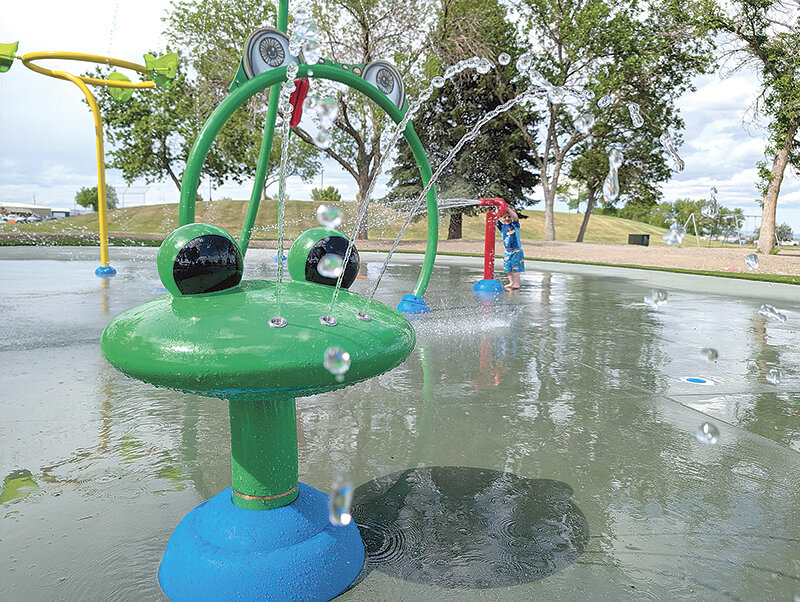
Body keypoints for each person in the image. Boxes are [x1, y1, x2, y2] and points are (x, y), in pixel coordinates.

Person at [497, 206, 524, 290]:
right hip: (507, 251)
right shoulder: (502, 227)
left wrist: (508, 209)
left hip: (516, 250)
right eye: (504, 217)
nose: (507, 218)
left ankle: (517, 283)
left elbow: (515, 217)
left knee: (516, 267)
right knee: (507, 268)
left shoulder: (515, 225)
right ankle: (511, 282)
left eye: (509, 217)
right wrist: (498, 210)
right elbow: (495, 219)